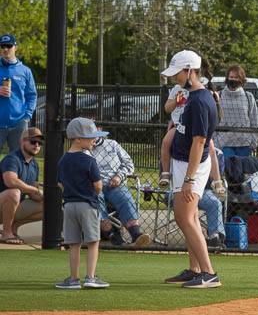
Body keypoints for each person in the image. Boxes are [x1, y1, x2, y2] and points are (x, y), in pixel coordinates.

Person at [161, 49, 221, 289]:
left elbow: (200, 142)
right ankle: (196, 269)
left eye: (178, 72)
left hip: (190, 164)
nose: (175, 77)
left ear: (190, 71)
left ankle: (209, 272)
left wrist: (189, 178)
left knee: (183, 216)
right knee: (191, 216)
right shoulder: (191, 95)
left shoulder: (199, 101)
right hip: (184, 160)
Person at [54, 118, 110, 290]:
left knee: (74, 243)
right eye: (91, 137)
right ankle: (91, 277)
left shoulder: (63, 160)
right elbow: (98, 186)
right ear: (78, 138)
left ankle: (73, 279)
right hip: (88, 205)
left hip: (69, 206)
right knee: (93, 241)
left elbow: (59, 183)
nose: (94, 140)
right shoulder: (89, 161)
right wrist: (92, 194)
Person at [160, 59, 224, 196]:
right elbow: (167, 108)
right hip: (179, 126)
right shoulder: (178, 89)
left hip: (196, 130)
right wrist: (177, 102)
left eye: (177, 73)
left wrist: (215, 97)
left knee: (211, 150)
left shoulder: (201, 93)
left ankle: (217, 180)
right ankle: (165, 173)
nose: (174, 78)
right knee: (166, 142)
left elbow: (201, 138)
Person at [91, 129, 151, 247]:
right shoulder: (83, 149)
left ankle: (136, 234)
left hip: (114, 184)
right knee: (96, 199)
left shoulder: (112, 144)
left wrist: (119, 176)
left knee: (124, 198)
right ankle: (112, 234)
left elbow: (129, 163)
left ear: (99, 129)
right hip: (94, 186)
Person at [0, 126, 44, 244]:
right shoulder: (12, 158)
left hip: (11, 206)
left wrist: (44, 195)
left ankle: (13, 228)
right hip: (5, 201)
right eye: (33, 141)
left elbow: (32, 193)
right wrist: (35, 190)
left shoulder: (34, 165)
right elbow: (10, 181)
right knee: (14, 192)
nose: (37, 145)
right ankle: (6, 233)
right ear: (22, 141)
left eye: (40, 143)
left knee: (49, 206)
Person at [0, 33, 38, 156]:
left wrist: (27, 116)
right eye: (2, 46)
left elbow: (32, 95)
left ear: (15, 47)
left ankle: (13, 176)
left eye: (9, 46)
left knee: (18, 159)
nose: (5, 49)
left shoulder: (25, 71)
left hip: (19, 123)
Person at [216, 64, 258, 158]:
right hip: (224, 143)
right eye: (231, 77)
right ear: (227, 78)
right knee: (228, 170)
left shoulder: (248, 97)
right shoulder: (219, 96)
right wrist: (215, 141)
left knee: (242, 170)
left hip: (244, 143)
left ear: (241, 79)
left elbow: (254, 120)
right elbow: (214, 120)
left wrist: (254, 141)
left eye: (236, 77)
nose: (233, 79)